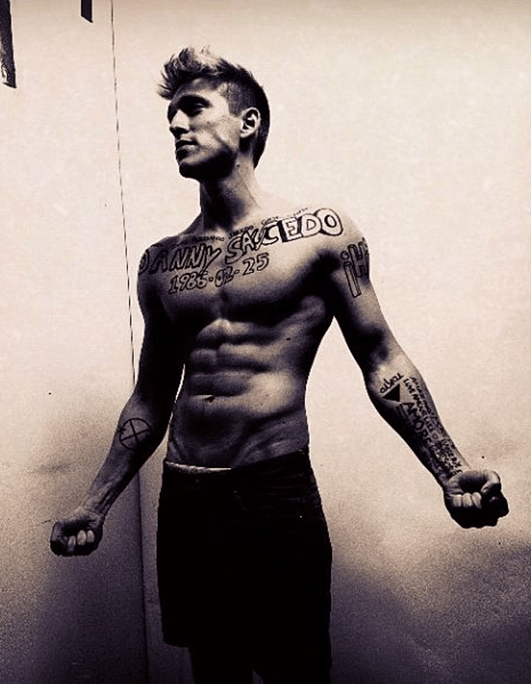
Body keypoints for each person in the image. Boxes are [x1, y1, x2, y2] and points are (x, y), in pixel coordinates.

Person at [50, 47, 509, 684]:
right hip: (187, 494)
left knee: (296, 670)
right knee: (214, 672)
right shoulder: (159, 262)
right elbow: (151, 396)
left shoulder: (320, 234)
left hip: (272, 487)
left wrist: (450, 468)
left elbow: (382, 358)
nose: (177, 125)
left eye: (194, 109)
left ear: (249, 123)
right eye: (171, 116)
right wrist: (96, 504)